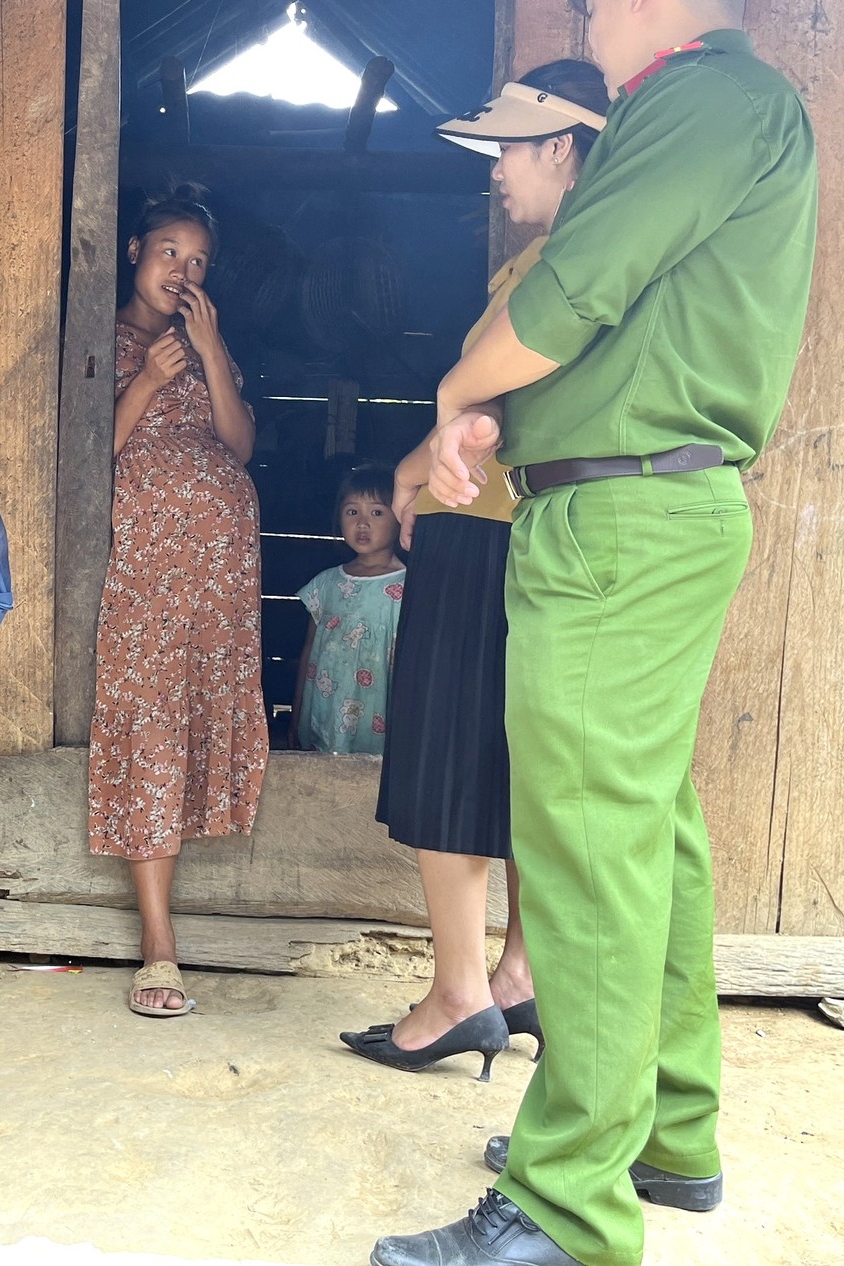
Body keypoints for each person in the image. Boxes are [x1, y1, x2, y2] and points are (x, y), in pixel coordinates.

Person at [372, 0, 818, 1266]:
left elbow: (568, 294)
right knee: (650, 841)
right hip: (642, 509)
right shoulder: (724, 113)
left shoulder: (692, 101)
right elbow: (617, 320)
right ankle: (664, 1135)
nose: (584, 22)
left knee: (585, 852)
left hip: (618, 528)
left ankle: (569, 1203)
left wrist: (454, 390)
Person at [342, 61, 609, 1081]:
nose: (496, 170)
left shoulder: (550, 272)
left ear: (559, 147)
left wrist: (412, 477)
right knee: (518, 765)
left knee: (447, 757)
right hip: (534, 539)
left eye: (510, 147)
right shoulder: (586, 262)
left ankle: (456, 992)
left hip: (479, 533)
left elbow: (484, 412)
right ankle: (514, 972)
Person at [88, 185, 267, 1018]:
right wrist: (147, 383)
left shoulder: (206, 345)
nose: (183, 271)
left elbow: (236, 444)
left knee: (190, 717)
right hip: (148, 572)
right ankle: (159, 948)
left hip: (218, 578)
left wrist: (212, 347)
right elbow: (84, 453)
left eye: (198, 262)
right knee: (150, 722)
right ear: (134, 251)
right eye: (169, 253)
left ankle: (196, 919)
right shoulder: (102, 335)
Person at [289, 464, 405, 756]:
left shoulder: (409, 588)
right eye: (352, 512)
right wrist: (296, 713)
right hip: (325, 714)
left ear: (401, 517)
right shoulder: (326, 584)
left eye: (377, 513)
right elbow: (308, 652)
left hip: (381, 718)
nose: (362, 524)